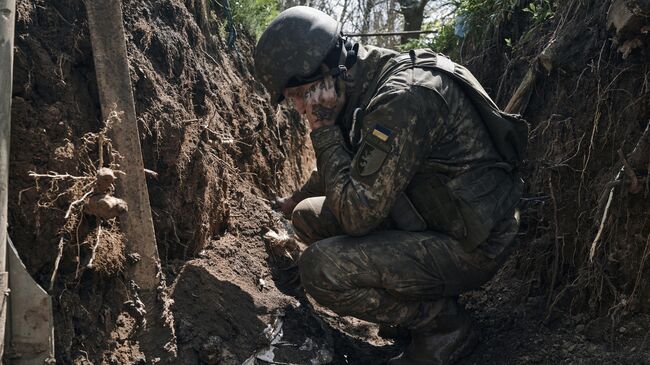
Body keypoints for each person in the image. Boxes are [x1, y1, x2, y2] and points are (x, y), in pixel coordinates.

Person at [254, 6, 525, 365]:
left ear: (324, 73)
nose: (302, 108)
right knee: (307, 215)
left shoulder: (400, 98)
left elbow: (356, 217)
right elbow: (353, 163)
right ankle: (411, 302)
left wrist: (323, 131)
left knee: (320, 269)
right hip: (437, 216)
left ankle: (444, 327)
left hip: (473, 242)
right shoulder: (361, 81)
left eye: (300, 95)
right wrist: (292, 200)